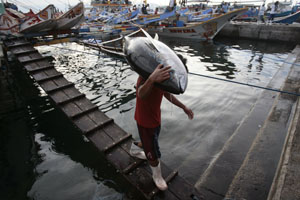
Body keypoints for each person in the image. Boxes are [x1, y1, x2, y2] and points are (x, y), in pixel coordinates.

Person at [130, 64, 194, 191]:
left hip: (155, 120)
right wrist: (152, 79)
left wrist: (183, 107)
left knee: (151, 142)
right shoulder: (147, 76)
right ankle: (157, 176)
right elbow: (141, 93)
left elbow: (166, 93)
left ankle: (135, 147)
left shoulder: (162, 79)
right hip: (145, 122)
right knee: (154, 153)